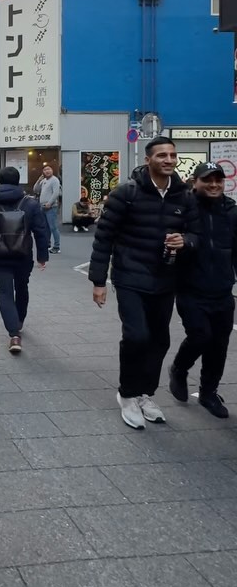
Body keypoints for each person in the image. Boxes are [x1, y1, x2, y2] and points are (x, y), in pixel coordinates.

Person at [89, 136, 200, 430]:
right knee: (137, 336)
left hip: (165, 278)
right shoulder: (126, 193)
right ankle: (127, 394)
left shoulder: (184, 196)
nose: (168, 160)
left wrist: (185, 240)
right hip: (129, 276)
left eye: (172, 155)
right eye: (161, 155)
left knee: (160, 340)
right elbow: (104, 238)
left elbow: (196, 234)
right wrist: (99, 281)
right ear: (147, 160)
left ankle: (145, 394)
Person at [169, 162, 237, 419]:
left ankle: (209, 392)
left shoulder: (231, 211)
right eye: (207, 180)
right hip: (190, 289)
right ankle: (179, 369)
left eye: (218, 180)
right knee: (200, 335)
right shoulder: (184, 208)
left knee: (219, 345)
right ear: (195, 181)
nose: (214, 184)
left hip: (221, 291)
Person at [0, 166, 49, 355]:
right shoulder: (30, 203)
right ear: (18, 180)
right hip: (23, 255)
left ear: (0, 180)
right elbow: (40, 231)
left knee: (4, 292)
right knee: (22, 287)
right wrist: (42, 256)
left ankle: (13, 334)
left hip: (0, 257)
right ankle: (18, 321)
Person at [34, 164, 62, 253]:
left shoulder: (54, 180)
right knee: (45, 227)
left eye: (49, 169)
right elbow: (36, 190)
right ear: (43, 172)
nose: (47, 171)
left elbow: (56, 193)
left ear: (52, 170)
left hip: (51, 207)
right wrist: (39, 180)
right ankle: (47, 244)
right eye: (45, 169)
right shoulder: (44, 180)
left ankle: (57, 247)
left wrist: (49, 203)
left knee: (53, 227)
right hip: (43, 207)